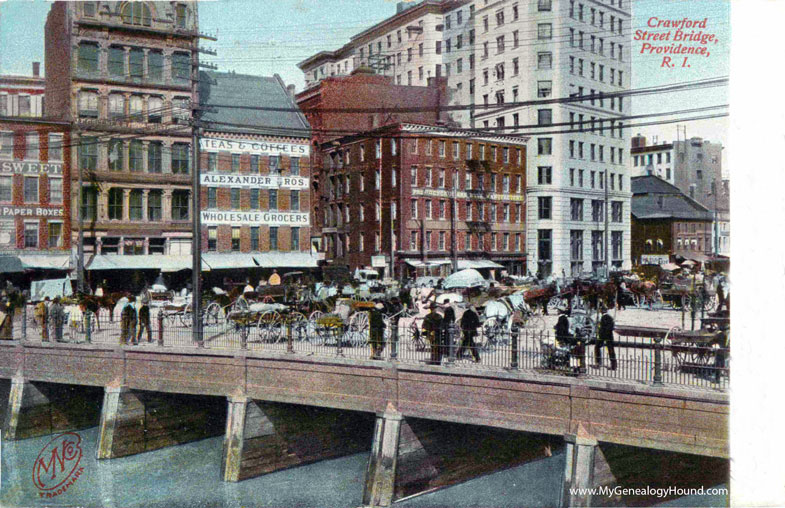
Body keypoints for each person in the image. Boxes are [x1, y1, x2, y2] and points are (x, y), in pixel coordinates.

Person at [594, 306, 618, 370]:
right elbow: (612, 327)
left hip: (603, 336)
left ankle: (598, 363)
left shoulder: (603, 317)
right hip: (609, 336)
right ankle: (614, 365)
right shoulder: (610, 317)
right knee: (611, 350)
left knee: (597, 347)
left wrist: (600, 335)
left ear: (601, 311)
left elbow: (602, 328)